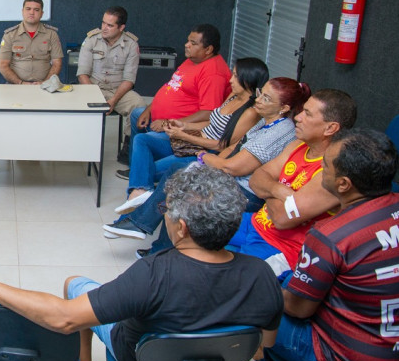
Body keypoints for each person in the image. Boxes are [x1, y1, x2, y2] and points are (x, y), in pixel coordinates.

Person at [0, 166, 283, 361]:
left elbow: (65, 319)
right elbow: (260, 348)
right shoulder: (262, 274)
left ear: (182, 228)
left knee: (76, 286)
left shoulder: (153, 274)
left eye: (166, 211)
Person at [245, 129, 399, 361]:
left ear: (343, 184)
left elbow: (299, 308)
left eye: (325, 166)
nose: (319, 171)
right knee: (286, 279)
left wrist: (265, 290)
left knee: (255, 295)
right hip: (387, 353)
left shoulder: (331, 235)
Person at [106, 77, 310, 261]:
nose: (259, 100)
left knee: (180, 186)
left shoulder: (279, 131)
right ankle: (149, 233)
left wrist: (204, 157)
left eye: (266, 98)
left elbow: (233, 167)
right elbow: (234, 147)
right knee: (177, 172)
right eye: (260, 94)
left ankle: (143, 224)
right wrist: (211, 162)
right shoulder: (265, 121)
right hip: (229, 176)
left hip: (245, 192)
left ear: (284, 108)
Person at [229, 89, 357, 281]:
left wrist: (268, 188)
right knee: (190, 226)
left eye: (308, 114)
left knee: (230, 280)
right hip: (254, 222)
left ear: (330, 128)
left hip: (281, 247)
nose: (297, 117)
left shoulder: (333, 170)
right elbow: (257, 177)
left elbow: (282, 219)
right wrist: (279, 190)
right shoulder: (298, 144)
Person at [118, 57, 267, 209]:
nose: (230, 80)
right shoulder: (233, 96)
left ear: (247, 80)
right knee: (141, 141)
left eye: (235, 76)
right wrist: (184, 125)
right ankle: (140, 194)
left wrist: (184, 135)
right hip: (193, 138)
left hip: (204, 151)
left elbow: (222, 146)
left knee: (144, 170)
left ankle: (138, 199)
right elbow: (213, 122)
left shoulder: (250, 113)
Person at [118, 23, 231, 179]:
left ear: (208, 49)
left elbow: (208, 113)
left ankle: (140, 173)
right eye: (188, 40)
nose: (186, 45)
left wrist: (168, 123)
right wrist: (149, 109)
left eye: (193, 43)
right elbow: (171, 87)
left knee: (142, 142)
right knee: (137, 114)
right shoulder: (193, 60)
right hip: (161, 118)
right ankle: (135, 167)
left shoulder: (213, 74)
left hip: (181, 127)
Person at [76, 6, 147, 162]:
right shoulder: (92, 40)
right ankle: (80, 146)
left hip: (118, 90)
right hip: (93, 88)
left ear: (121, 27)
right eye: (103, 23)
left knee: (140, 107)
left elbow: (129, 79)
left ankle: (128, 150)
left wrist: (113, 100)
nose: (104, 28)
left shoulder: (131, 44)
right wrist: (95, 96)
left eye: (110, 25)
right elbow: (82, 74)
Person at [0, 0, 63, 84]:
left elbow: (57, 63)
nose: (32, 12)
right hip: (16, 86)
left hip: (45, 85)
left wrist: (45, 83)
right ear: (22, 11)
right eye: (28, 9)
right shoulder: (10, 35)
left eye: (36, 10)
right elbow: (3, 66)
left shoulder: (51, 34)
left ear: (42, 13)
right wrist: (20, 83)